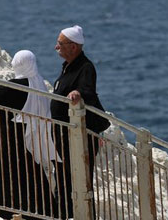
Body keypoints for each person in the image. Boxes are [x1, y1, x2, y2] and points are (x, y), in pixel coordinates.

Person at [0, 50, 59, 219]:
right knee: (30, 175)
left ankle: (6, 210)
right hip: (28, 136)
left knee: (9, 174)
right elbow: (6, 89)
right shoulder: (36, 83)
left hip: (11, 137)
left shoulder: (18, 86)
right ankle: (43, 212)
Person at [49, 25, 110, 219]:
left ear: (73, 47)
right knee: (64, 179)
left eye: (60, 44)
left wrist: (78, 94)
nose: (56, 47)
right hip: (64, 135)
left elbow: (87, 90)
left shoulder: (85, 67)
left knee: (79, 181)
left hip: (77, 136)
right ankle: (65, 215)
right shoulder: (69, 65)